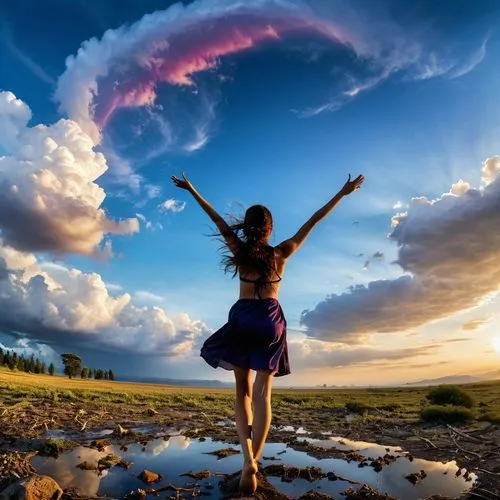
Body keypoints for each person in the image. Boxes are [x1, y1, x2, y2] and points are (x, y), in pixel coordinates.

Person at [172, 172, 364, 494]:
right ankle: (254, 463)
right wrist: (343, 193)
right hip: (270, 319)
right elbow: (314, 219)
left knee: (242, 392)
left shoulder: (239, 251)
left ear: (246, 229)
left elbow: (217, 220)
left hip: (243, 317)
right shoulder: (282, 253)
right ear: (270, 229)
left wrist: (192, 190)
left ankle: (247, 456)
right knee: (264, 394)